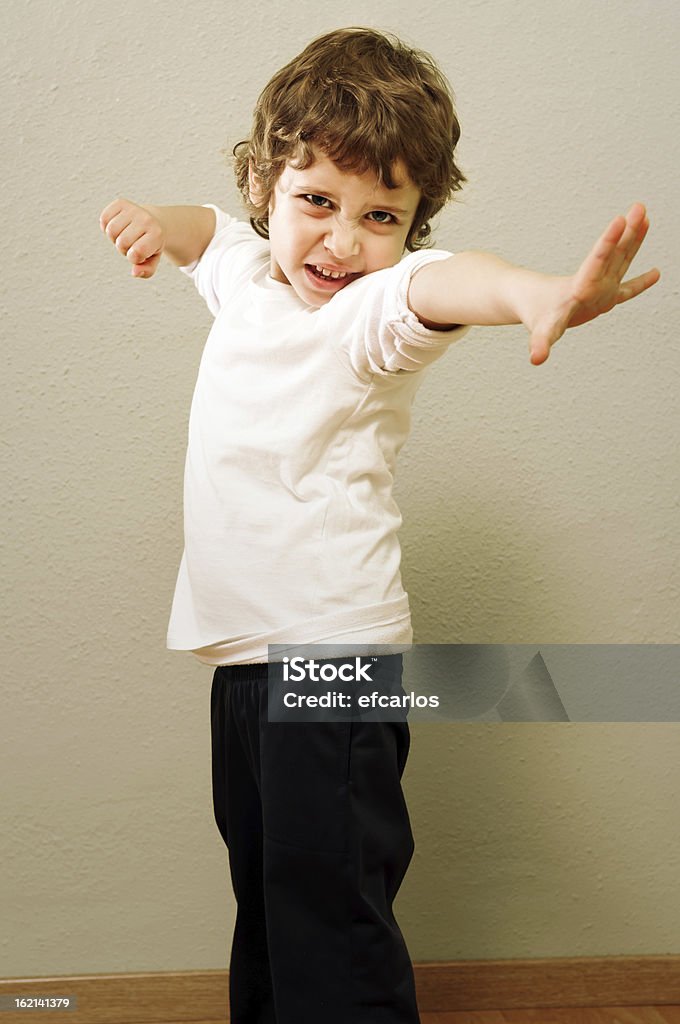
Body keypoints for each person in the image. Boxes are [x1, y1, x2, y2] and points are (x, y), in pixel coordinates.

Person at [99, 27, 659, 1024]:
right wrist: (153, 219)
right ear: (266, 184)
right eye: (315, 202)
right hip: (245, 660)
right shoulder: (250, 287)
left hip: (332, 662)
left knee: (333, 909)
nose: (341, 239)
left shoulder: (367, 317)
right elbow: (201, 234)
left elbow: (455, 283)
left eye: (379, 215)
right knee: (268, 898)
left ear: (409, 228)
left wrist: (538, 296)